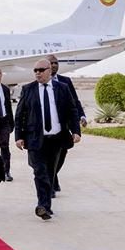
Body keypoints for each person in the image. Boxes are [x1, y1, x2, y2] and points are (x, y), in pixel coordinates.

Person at [15, 59, 81, 220]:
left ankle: (46, 206)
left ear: (49, 71)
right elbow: (20, 115)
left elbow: (72, 110)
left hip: (56, 139)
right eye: (35, 70)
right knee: (40, 172)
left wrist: (76, 131)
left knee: (50, 173)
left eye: (41, 70)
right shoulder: (28, 89)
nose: (37, 73)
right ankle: (42, 205)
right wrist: (19, 136)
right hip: (35, 139)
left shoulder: (62, 88)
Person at [46, 54, 86, 195]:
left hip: (63, 127)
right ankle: (50, 185)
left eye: (56, 63)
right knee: (50, 157)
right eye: (51, 63)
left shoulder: (66, 81)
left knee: (62, 154)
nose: (54, 65)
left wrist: (81, 116)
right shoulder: (39, 82)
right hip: (47, 128)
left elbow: (75, 101)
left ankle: (53, 177)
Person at [0, 66, 14, 181]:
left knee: (5, 146)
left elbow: (8, 106)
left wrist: (11, 122)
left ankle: (6, 171)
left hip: (3, 121)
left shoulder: (5, 89)